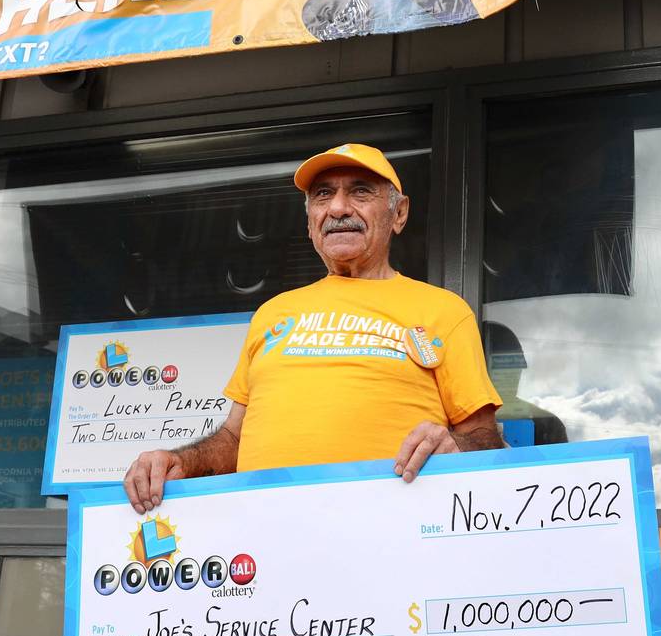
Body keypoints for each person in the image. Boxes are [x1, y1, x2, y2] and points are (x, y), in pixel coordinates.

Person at [123, 144, 504, 514]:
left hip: (388, 528)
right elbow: (234, 440)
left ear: (399, 213)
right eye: (323, 194)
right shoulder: (273, 313)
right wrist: (180, 461)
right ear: (309, 222)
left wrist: (453, 445)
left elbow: (485, 441)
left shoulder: (443, 310)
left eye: (360, 191)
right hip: (265, 531)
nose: (338, 208)